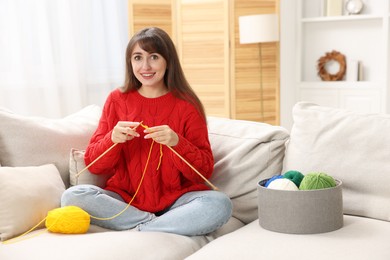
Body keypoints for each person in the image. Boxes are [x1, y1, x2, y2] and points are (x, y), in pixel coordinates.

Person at [61, 27, 232, 236]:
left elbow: (204, 171)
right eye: (138, 58)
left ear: (167, 61)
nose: (145, 66)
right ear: (130, 62)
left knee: (220, 204)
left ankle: (142, 228)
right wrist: (112, 139)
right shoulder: (117, 100)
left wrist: (178, 142)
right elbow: (94, 165)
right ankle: (152, 225)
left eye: (154, 57)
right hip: (125, 200)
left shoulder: (187, 105)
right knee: (72, 196)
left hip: (176, 202)